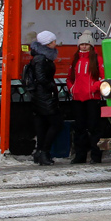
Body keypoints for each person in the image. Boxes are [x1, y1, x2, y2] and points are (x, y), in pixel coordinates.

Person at [66, 31, 105, 164]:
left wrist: (94, 88)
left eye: (86, 44)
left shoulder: (97, 59)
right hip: (78, 98)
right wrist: (72, 89)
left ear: (91, 46)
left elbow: (103, 77)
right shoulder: (75, 59)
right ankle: (80, 156)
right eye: (81, 44)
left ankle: (96, 155)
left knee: (94, 128)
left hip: (92, 98)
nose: (83, 47)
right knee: (79, 128)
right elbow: (69, 77)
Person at [28, 30, 62, 166]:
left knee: (42, 125)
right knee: (56, 123)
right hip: (44, 97)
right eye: (53, 41)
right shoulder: (41, 59)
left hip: (40, 96)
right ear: (47, 44)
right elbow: (41, 78)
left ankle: (40, 152)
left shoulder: (40, 57)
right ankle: (44, 152)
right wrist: (51, 87)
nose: (55, 43)